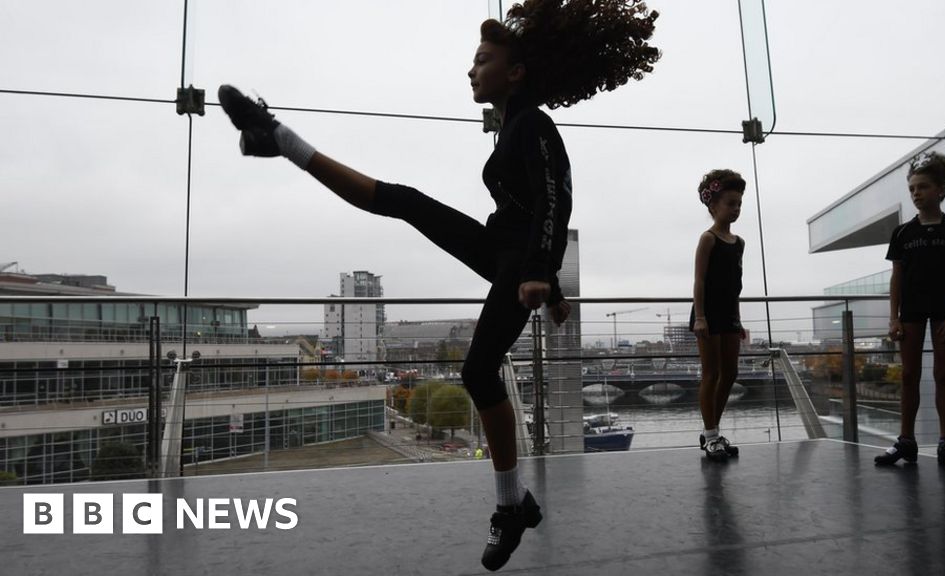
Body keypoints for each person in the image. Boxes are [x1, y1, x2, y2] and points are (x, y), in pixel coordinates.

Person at [218, 1, 659, 570]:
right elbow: (534, 206)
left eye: (482, 60)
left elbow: (555, 197)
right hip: (505, 253)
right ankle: (280, 139)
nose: (471, 71)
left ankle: (512, 505)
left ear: (516, 71)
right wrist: (548, 287)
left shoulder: (535, 124)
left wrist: (539, 274)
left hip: (516, 262)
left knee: (477, 370)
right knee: (403, 201)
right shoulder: (512, 126)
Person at [875, 152, 945, 471]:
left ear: (940, 190)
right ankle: (906, 441)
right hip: (912, 313)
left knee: (943, 375)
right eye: (912, 189)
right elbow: (897, 276)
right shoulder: (903, 234)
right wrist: (893, 317)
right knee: (908, 375)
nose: (916, 193)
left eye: (922, 187)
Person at [689, 169, 746, 462]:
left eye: (738, 204)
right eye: (730, 203)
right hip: (708, 314)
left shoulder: (739, 243)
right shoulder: (708, 238)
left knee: (731, 372)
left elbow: (735, 286)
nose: (735, 209)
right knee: (711, 373)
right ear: (713, 206)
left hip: (729, 315)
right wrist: (700, 317)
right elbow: (699, 281)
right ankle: (711, 436)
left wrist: (739, 321)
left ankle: (711, 430)